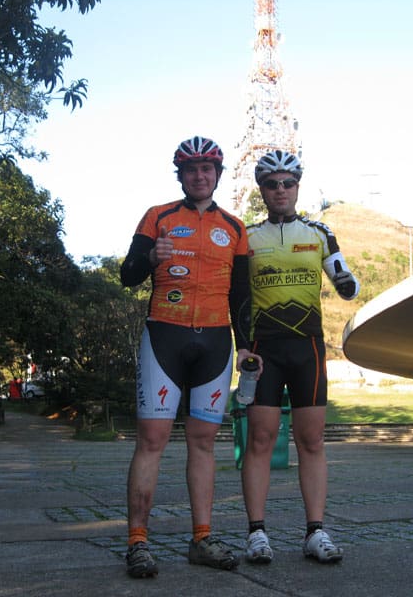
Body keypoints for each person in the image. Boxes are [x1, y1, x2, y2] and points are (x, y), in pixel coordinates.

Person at [120, 136, 259, 578]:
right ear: (180, 175)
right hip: (165, 334)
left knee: (203, 442)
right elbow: (127, 275)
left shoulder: (235, 228)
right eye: (191, 169)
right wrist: (150, 256)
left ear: (218, 175)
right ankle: (137, 542)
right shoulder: (157, 217)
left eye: (207, 169)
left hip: (215, 342)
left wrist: (246, 345)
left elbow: (242, 295)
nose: (200, 176)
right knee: (152, 440)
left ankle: (202, 538)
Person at [241, 150, 359, 565]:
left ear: (297, 187)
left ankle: (315, 531)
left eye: (288, 183)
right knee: (260, 440)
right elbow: (236, 296)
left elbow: (345, 279)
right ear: (262, 190)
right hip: (264, 351)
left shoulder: (320, 233)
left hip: (308, 348)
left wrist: (346, 282)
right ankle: (257, 533)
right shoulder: (246, 236)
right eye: (272, 184)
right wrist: (240, 346)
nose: (281, 190)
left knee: (311, 441)